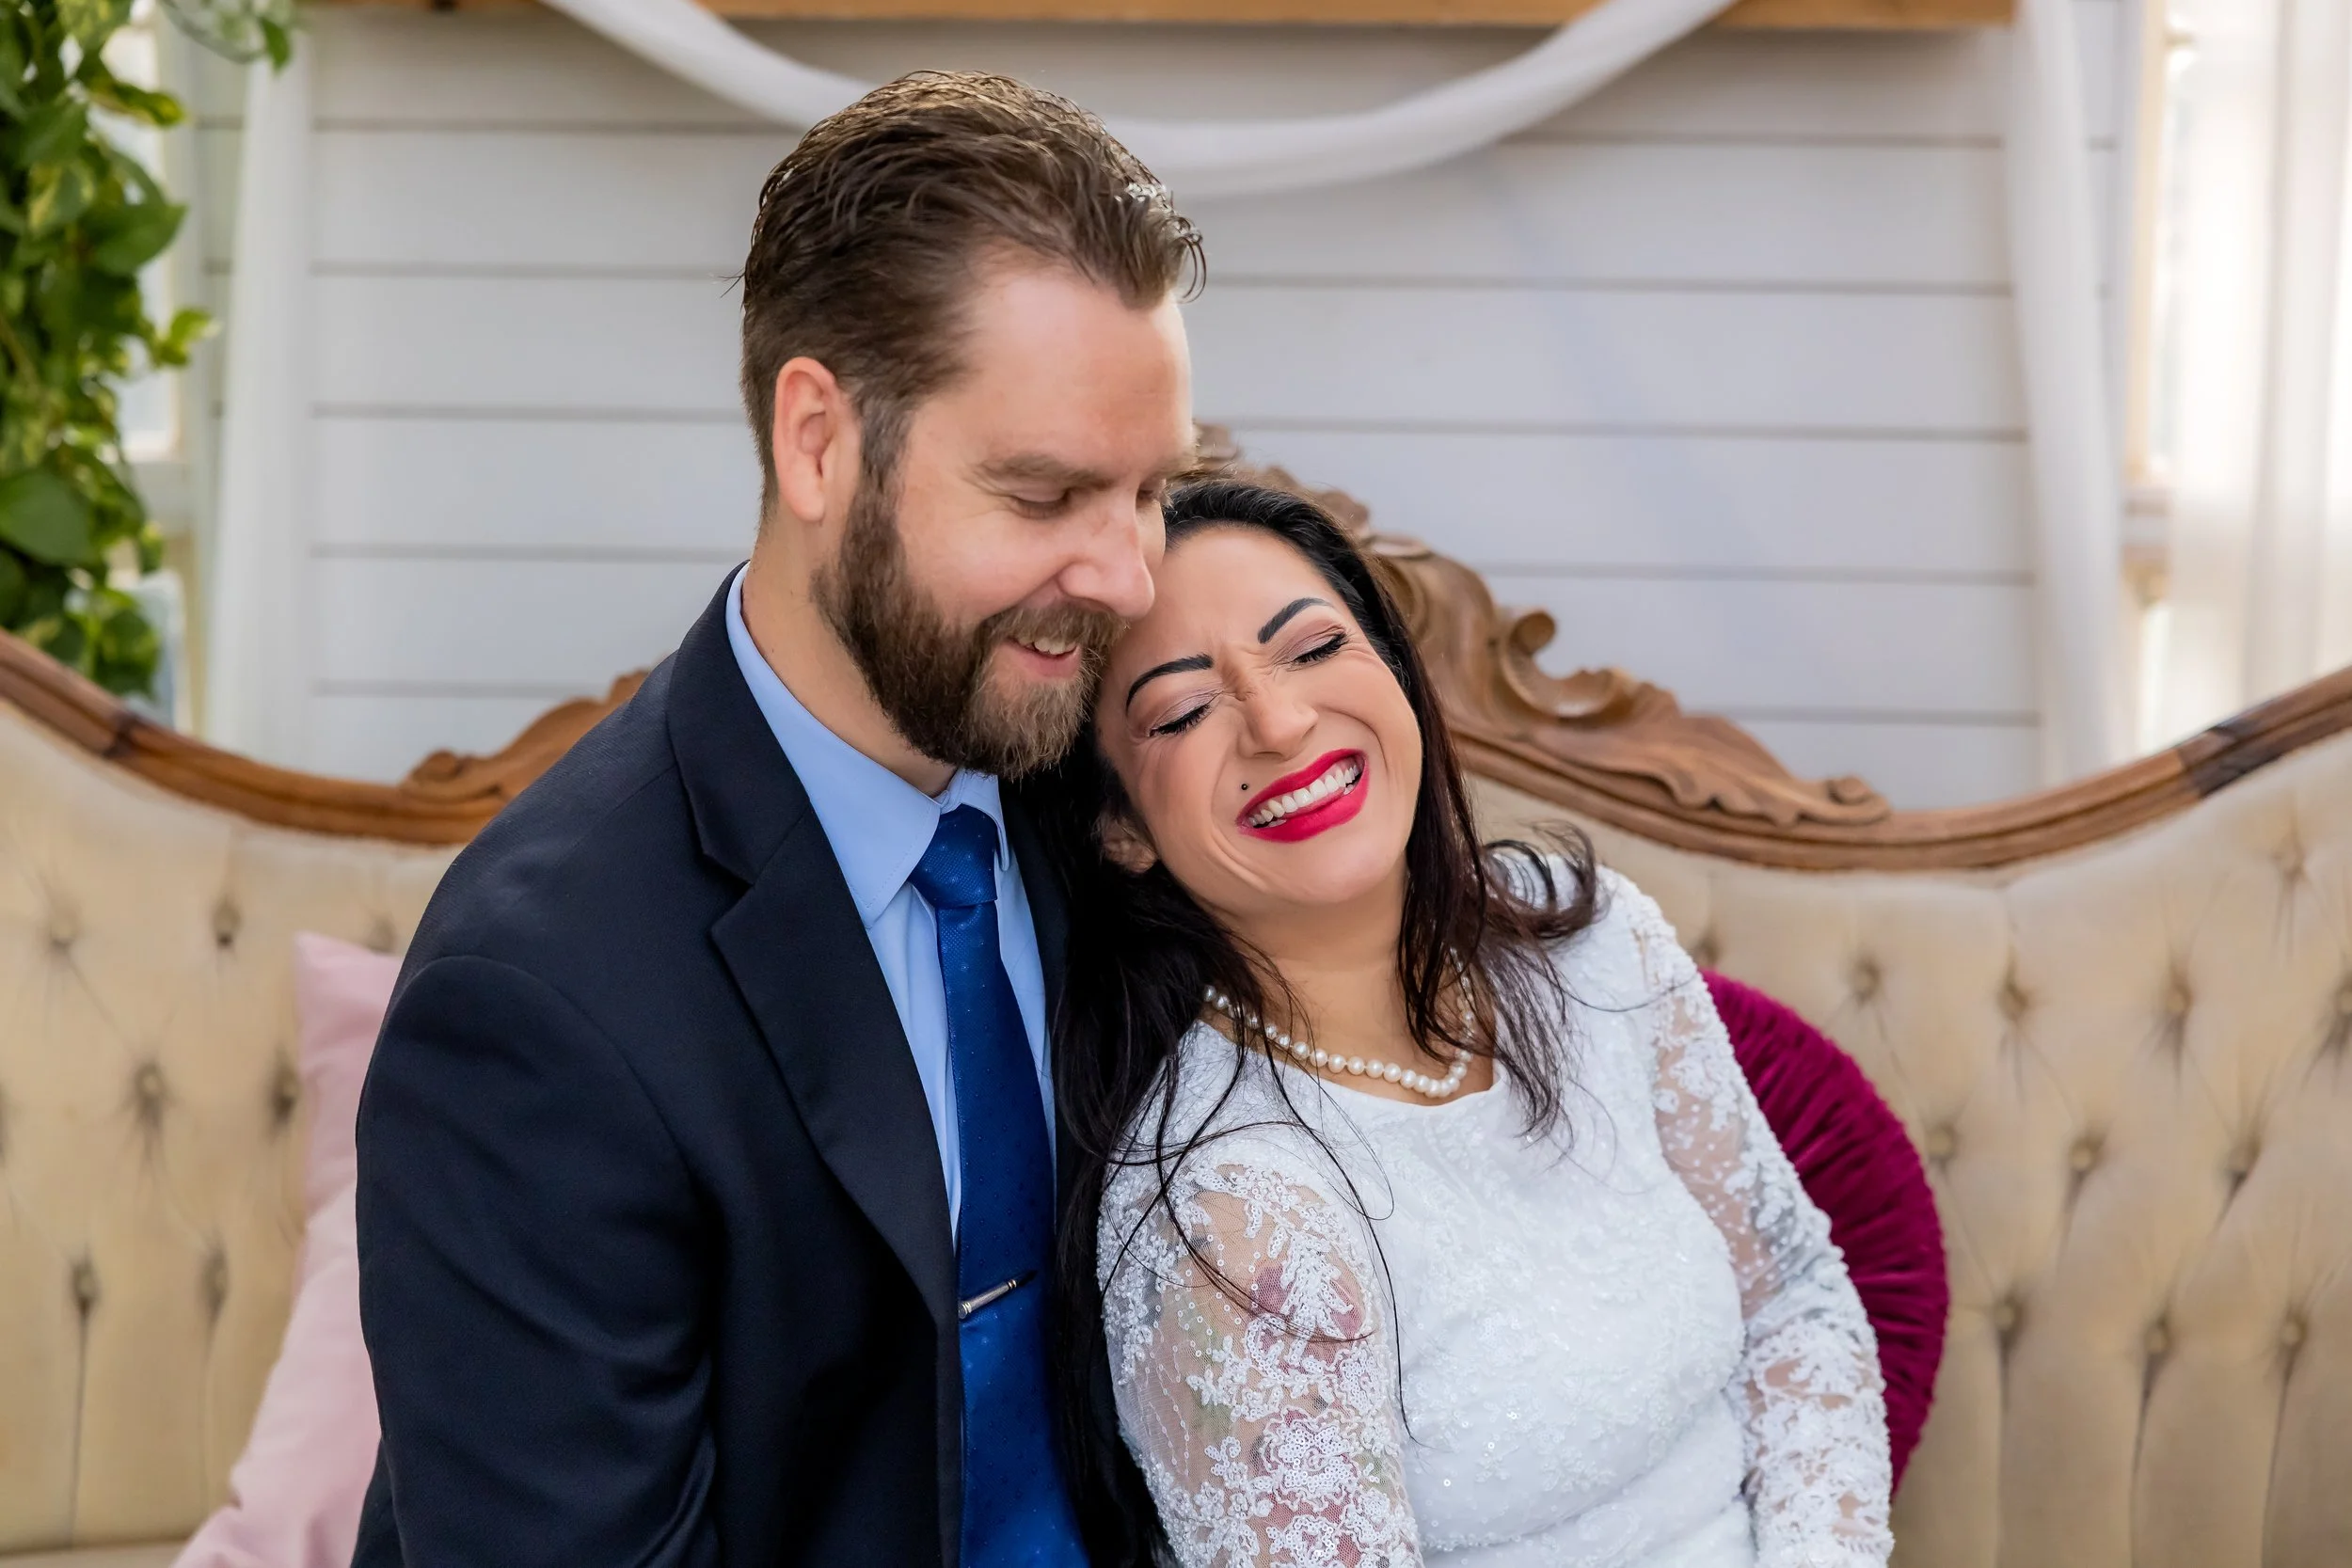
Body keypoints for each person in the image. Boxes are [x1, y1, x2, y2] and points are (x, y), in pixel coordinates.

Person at [351, 73, 1201, 1567]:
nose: (1128, 577)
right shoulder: (538, 1003)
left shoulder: (1103, 765)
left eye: (1151, 492)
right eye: (1047, 490)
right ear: (819, 440)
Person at [1034, 479, 1895, 1568]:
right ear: (1120, 827)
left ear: (1396, 670)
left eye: (1309, 649)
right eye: (1182, 709)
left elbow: (1795, 1301)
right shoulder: (1225, 1214)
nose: (1281, 719)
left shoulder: (1590, 945)